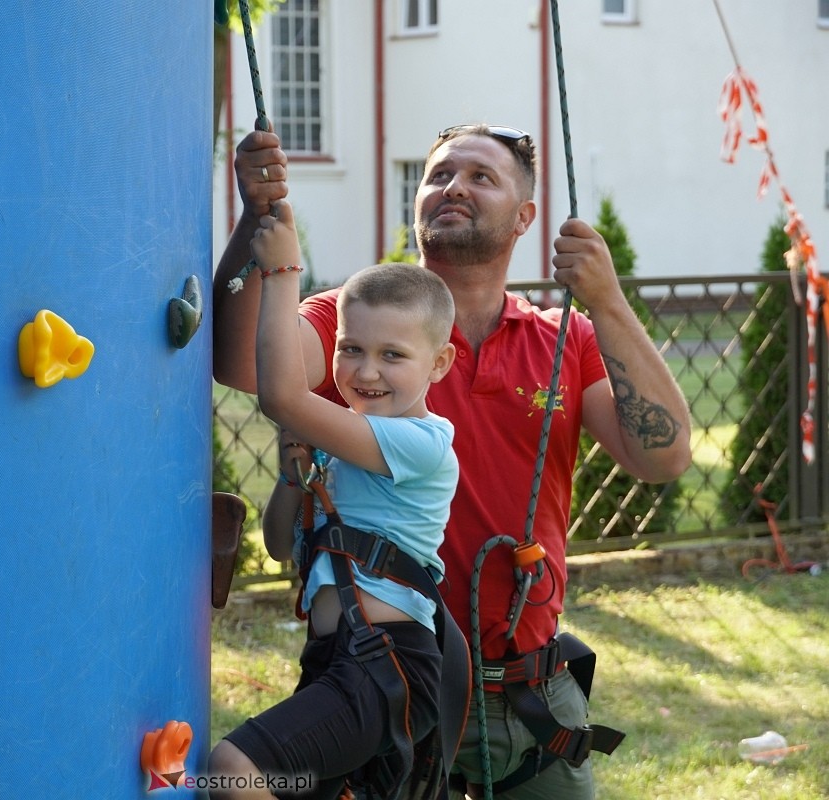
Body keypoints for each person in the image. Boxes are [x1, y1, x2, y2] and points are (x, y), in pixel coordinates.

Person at [212, 124, 692, 799]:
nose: (453, 187)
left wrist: (607, 300)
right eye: (438, 175)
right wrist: (255, 223)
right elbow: (240, 363)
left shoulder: (563, 340)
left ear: (526, 216)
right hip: (389, 679)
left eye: (480, 176)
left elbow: (663, 455)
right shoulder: (360, 326)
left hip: (526, 696)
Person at [207, 198, 461, 799]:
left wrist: (282, 275)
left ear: (440, 363)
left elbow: (283, 398)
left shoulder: (424, 443)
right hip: (332, 661)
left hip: (389, 665)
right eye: (351, 349)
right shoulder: (340, 448)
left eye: (392, 355)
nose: (365, 370)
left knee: (231, 768)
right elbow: (277, 545)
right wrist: (295, 480)